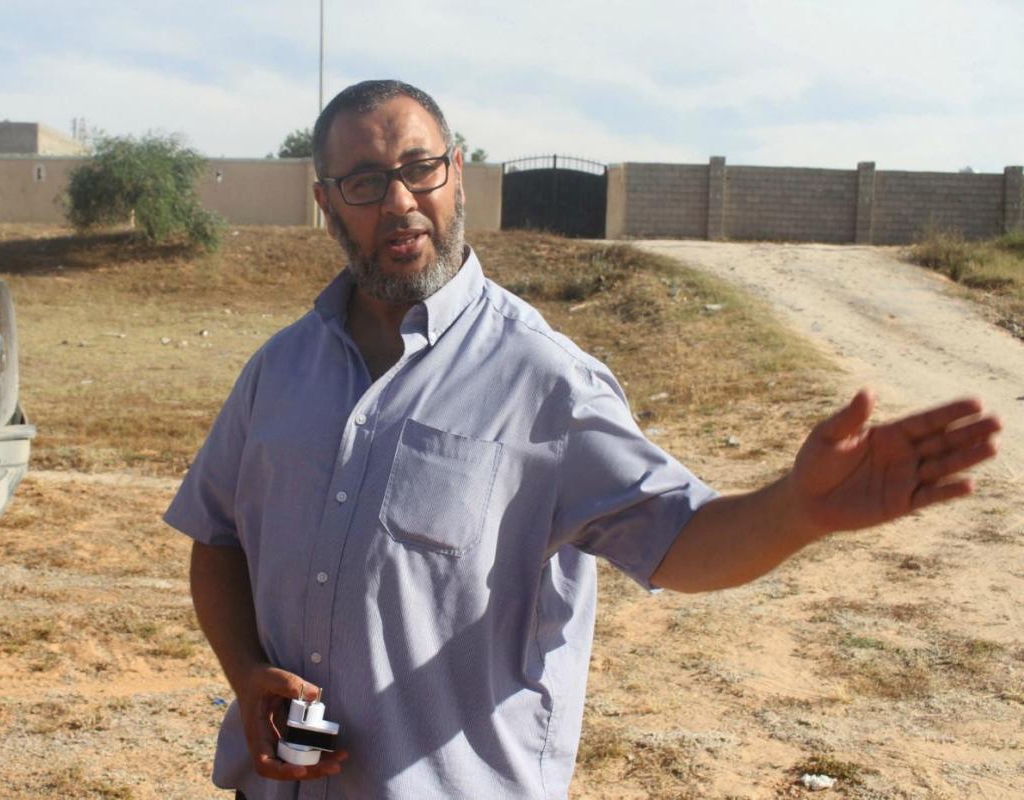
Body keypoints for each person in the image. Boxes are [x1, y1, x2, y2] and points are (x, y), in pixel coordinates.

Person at [164, 80, 1001, 800]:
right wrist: (245, 671)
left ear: (457, 172)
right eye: (364, 181)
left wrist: (797, 510)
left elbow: (680, 541)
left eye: (421, 168)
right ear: (325, 204)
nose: (400, 201)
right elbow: (219, 536)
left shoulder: (545, 381)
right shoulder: (280, 370)